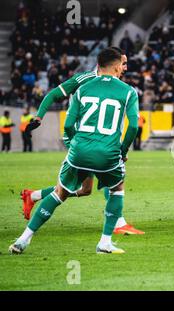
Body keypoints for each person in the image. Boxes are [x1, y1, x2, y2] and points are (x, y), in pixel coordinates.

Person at [9, 48, 140, 255]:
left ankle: (25, 231)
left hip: (79, 148)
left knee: (73, 190)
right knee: (115, 187)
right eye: (123, 64)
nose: (124, 68)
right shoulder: (119, 88)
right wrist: (122, 151)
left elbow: (69, 123)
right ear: (115, 65)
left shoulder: (83, 89)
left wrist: (72, 142)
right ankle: (106, 239)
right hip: (106, 150)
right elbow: (133, 127)